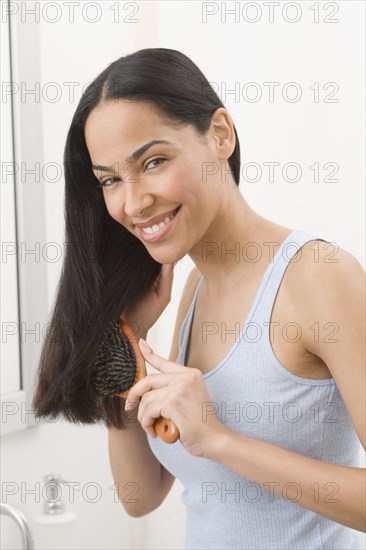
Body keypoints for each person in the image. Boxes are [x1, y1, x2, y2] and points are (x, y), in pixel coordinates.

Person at [32, 48, 365, 549]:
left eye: (155, 161)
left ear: (220, 135)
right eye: (110, 180)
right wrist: (127, 343)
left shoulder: (319, 276)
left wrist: (220, 441)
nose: (133, 201)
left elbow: (209, 445)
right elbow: (139, 496)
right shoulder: (194, 287)